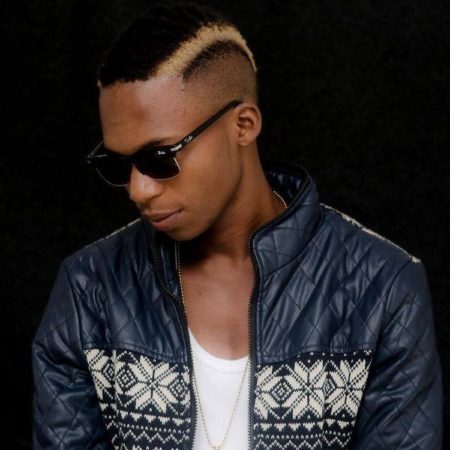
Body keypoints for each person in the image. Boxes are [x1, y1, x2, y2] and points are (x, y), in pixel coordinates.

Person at [31, 2, 443, 449]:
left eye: (159, 158)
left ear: (243, 125)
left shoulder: (381, 286)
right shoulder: (89, 288)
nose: (139, 190)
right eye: (118, 165)